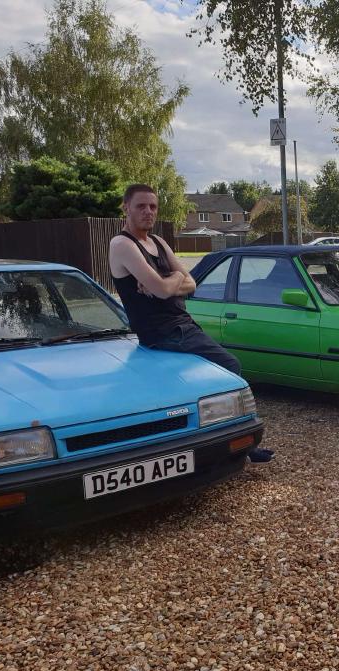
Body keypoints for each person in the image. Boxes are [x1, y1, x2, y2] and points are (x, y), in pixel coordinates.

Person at [109, 183, 273, 462]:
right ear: (126, 208)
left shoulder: (158, 243)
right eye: (141, 206)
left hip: (182, 324)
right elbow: (164, 290)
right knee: (229, 366)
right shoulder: (122, 244)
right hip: (160, 331)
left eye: (153, 206)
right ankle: (242, 443)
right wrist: (171, 283)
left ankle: (214, 436)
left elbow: (191, 282)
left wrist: (166, 282)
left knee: (200, 379)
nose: (148, 211)